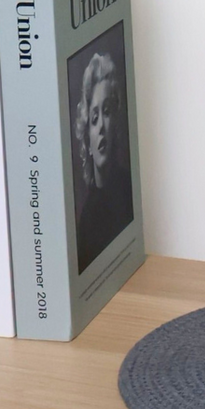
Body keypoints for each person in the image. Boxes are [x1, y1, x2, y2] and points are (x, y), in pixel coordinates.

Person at [73, 50, 134, 272]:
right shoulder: (86, 222)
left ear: (116, 123)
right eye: (94, 118)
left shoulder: (130, 191)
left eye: (107, 112)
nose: (100, 128)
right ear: (87, 140)